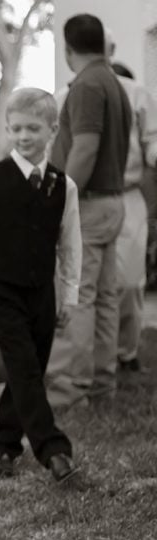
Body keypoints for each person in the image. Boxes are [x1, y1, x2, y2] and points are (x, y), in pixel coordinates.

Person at [0, 88, 83, 486]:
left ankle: (3, 444)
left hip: (42, 291)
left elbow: (70, 244)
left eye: (32, 128)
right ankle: (54, 450)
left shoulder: (65, 186)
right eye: (16, 129)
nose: (23, 136)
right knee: (24, 367)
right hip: (2, 289)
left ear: (53, 129)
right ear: (7, 130)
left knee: (28, 370)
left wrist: (70, 295)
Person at [45, 14, 131, 408]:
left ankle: (69, 389)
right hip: (113, 201)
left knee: (74, 296)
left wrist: (57, 195)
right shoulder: (114, 82)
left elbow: (86, 147)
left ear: (68, 49)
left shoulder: (86, 85)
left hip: (90, 203)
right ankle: (101, 385)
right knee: (106, 297)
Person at [108, 62, 157, 372]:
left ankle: (126, 351)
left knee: (129, 282)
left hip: (128, 196)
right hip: (87, 199)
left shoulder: (143, 110)